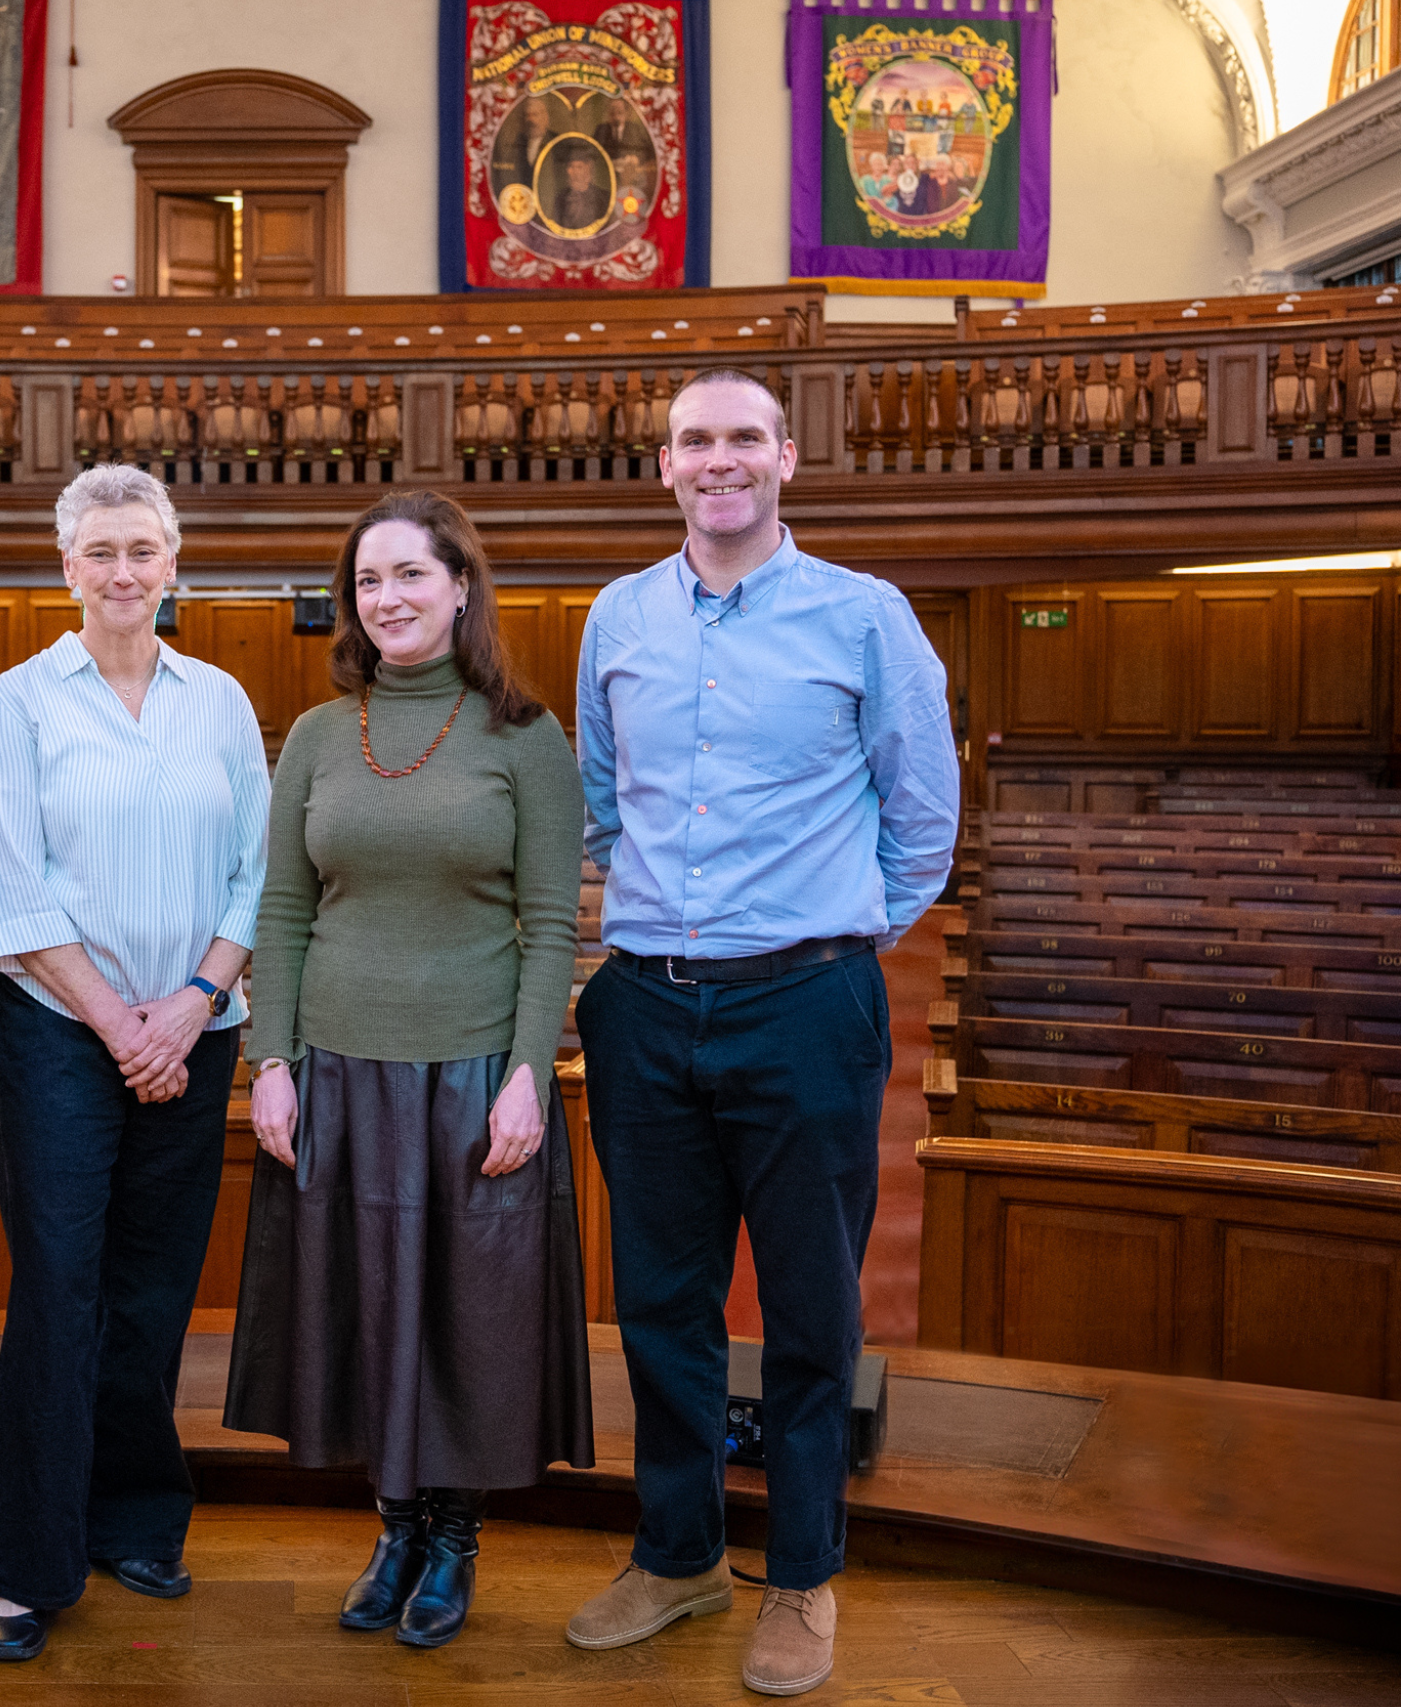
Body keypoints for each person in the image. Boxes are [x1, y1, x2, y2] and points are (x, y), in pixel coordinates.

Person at [563, 370, 958, 1696]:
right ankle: (677, 1555)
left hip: (806, 1003)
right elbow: (604, 804)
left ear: (785, 458)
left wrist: (825, 937)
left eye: (744, 438)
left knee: (807, 1306)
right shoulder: (618, 615)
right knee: (660, 1302)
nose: (718, 460)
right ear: (665, 465)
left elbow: (922, 822)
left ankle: (801, 1576)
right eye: (695, 440)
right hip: (645, 1002)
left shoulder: (865, 615)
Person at [226, 489, 592, 1651]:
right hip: (337, 1069)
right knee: (367, 1308)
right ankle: (392, 1528)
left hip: (473, 1074)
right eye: (367, 581)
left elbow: (551, 925)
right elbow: (283, 913)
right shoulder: (318, 735)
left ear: (461, 587)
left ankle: (454, 1538)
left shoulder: (525, 736)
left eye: (409, 575)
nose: (386, 598)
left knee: (466, 1315)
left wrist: (529, 1072)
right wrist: (270, 1059)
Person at [0, 464, 271, 1664]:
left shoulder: (221, 700)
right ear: (67, 568)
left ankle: (136, 1520)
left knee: (153, 1288)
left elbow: (257, 875)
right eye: (99, 551)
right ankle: (31, 1564)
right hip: (61, 1028)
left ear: (172, 564)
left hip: (197, 1027)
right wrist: (120, 1024)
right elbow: (14, 888)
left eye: (141, 549)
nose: (122, 570)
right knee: (59, 1288)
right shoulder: (19, 701)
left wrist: (190, 1006)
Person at [554, 151, 610, 230]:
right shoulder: (561, 198)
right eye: (571, 167)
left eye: (579, 167)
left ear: (588, 169)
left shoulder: (604, 197)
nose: (575, 172)